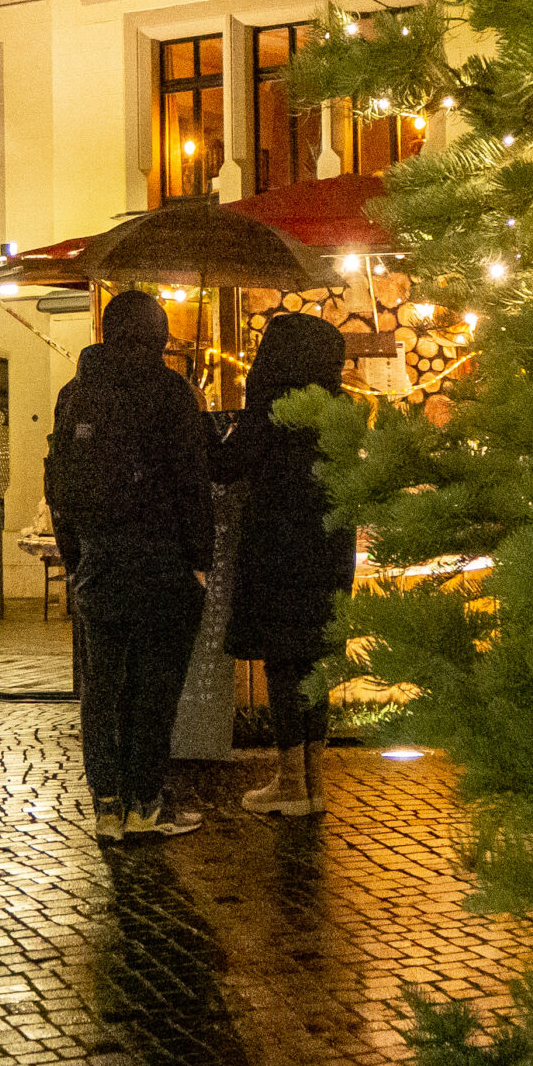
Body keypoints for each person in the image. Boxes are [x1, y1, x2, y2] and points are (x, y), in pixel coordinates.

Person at [47, 289, 213, 842]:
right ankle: (146, 803)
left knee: (102, 689)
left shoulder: (75, 395)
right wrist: (200, 559)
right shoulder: (171, 394)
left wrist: (75, 556)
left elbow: (59, 485)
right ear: (159, 335)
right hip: (164, 563)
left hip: (98, 560)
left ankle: (107, 806)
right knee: (153, 689)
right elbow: (193, 485)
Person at [212, 313, 354, 817]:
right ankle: (314, 783)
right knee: (315, 661)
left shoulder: (271, 410)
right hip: (332, 549)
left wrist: (211, 429)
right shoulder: (342, 409)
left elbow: (226, 466)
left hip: (279, 550)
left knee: (284, 663)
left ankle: (290, 782)